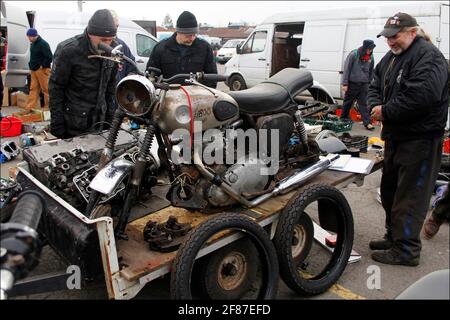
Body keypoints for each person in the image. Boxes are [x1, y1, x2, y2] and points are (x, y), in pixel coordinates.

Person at [368, 12, 449, 266]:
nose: (391, 42)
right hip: (396, 137)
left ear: (412, 32)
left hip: (421, 140)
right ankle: (394, 237)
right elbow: (374, 84)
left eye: (395, 36)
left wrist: (385, 111)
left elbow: (422, 96)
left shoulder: (429, 57)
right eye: (387, 37)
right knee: (391, 191)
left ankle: (407, 250)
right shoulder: (392, 57)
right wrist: (375, 106)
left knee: (410, 197)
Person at [49, 9, 118, 139]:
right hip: (74, 123)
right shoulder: (69, 51)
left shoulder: (113, 50)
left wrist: (110, 118)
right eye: (103, 39)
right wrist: (57, 124)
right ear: (91, 34)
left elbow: (111, 87)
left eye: (110, 39)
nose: (107, 44)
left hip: (100, 122)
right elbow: (56, 88)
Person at [146, 11, 217, 88]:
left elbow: (212, 77)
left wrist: (203, 94)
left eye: (194, 35)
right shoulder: (161, 49)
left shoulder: (204, 48)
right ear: (178, 32)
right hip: (168, 95)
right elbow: (151, 77)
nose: (192, 38)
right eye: (188, 35)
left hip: (197, 96)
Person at [340, 39, 376, 131]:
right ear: (365, 48)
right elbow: (347, 69)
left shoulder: (371, 57)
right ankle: (343, 118)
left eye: (371, 49)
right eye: (369, 49)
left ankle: (367, 123)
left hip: (364, 84)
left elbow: (371, 71)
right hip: (353, 83)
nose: (370, 51)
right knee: (348, 102)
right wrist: (345, 83)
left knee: (363, 103)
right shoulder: (353, 55)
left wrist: (371, 83)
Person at [24, 28, 53, 111]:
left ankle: (48, 107)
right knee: (33, 89)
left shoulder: (43, 44)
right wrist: (31, 66)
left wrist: (42, 66)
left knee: (46, 89)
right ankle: (29, 107)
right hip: (33, 70)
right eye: (28, 37)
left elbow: (50, 57)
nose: (28, 38)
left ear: (34, 36)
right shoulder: (33, 44)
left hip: (42, 70)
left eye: (29, 37)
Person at [109, 10, 137, 84]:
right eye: (112, 26)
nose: (115, 29)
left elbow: (132, 69)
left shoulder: (121, 46)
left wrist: (127, 85)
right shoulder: (96, 46)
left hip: (118, 93)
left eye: (117, 26)